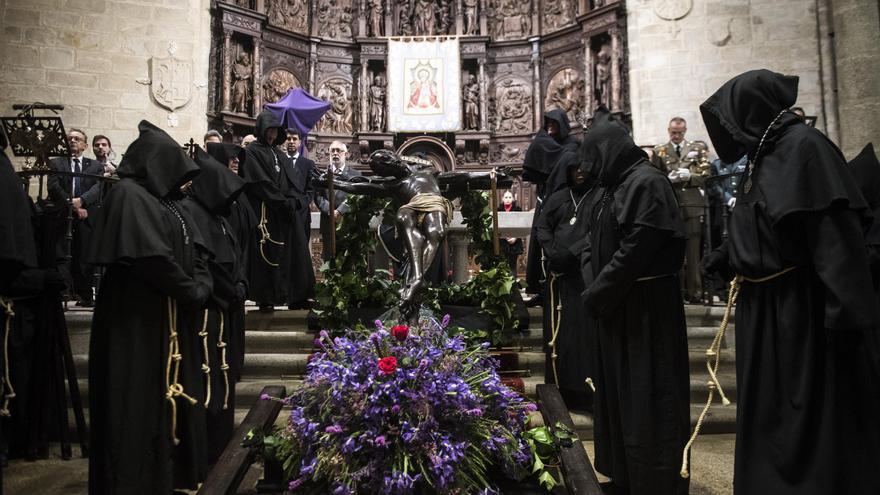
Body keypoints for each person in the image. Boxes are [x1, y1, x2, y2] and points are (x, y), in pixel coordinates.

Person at [700, 69, 880, 495]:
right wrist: (729, 258)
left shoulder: (806, 149)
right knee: (772, 418)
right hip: (766, 312)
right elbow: (765, 223)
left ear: (751, 111)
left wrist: (844, 321)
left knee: (805, 422)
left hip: (800, 315)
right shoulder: (765, 154)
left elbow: (835, 242)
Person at [87, 120, 212, 494]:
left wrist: (200, 282)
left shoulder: (163, 200)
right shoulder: (127, 194)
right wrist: (191, 290)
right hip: (135, 324)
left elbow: (195, 248)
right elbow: (150, 258)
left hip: (163, 319)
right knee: (133, 403)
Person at [581, 107, 690, 495]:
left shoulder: (648, 183)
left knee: (648, 396)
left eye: (593, 157)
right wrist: (595, 285)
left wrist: (599, 291)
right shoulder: (614, 186)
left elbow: (637, 247)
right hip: (619, 306)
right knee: (620, 397)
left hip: (646, 309)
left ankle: (652, 481)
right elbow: (592, 243)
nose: (589, 167)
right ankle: (626, 475)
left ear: (610, 151)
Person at [182, 147, 248, 468]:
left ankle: (222, 446)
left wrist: (241, 285)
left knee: (225, 379)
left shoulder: (217, 217)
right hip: (212, 311)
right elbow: (206, 263)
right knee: (212, 381)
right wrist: (231, 289)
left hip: (229, 307)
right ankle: (211, 451)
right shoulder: (194, 213)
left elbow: (235, 256)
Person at [534, 160, 596, 411]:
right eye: (574, 168)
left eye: (583, 167)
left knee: (583, 335)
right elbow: (542, 226)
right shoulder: (559, 197)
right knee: (559, 336)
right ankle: (560, 392)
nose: (579, 172)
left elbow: (597, 232)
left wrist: (573, 252)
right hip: (558, 275)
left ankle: (585, 394)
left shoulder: (599, 196)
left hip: (584, 274)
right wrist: (553, 252)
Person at [240, 110, 305, 312]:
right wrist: (280, 200)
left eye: (275, 131)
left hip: (284, 212)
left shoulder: (279, 153)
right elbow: (259, 182)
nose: (272, 135)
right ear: (261, 130)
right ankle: (266, 297)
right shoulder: (253, 151)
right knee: (266, 253)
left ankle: (294, 295)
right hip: (266, 211)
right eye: (269, 130)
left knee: (293, 252)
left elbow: (292, 180)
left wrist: (295, 199)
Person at [522, 109, 580, 305]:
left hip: (565, 205)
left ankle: (555, 290)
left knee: (557, 246)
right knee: (540, 246)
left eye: (554, 125)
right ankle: (541, 288)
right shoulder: (546, 143)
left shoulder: (571, 145)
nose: (550, 129)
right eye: (548, 125)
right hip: (546, 201)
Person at [206, 141, 254, 379]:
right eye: (231, 157)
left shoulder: (236, 191)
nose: (236, 161)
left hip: (238, 273)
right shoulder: (213, 196)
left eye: (238, 158)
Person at [651, 117, 708, 303]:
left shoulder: (697, 148)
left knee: (693, 252)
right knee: (674, 250)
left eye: (680, 132)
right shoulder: (660, 150)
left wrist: (690, 175)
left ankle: (695, 292)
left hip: (692, 204)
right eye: (673, 132)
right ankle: (677, 293)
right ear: (668, 130)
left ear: (685, 131)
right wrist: (668, 178)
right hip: (672, 204)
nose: (676, 136)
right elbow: (654, 177)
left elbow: (706, 174)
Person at [47, 128, 104, 306]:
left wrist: (82, 201)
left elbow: (98, 187)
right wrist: (72, 205)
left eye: (77, 139)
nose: (72, 141)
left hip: (86, 216)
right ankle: (63, 293)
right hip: (63, 214)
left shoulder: (95, 166)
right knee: (62, 254)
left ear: (85, 145)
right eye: (70, 138)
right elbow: (54, 186)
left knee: (84, 255)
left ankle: (85, 295)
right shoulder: (57, 163)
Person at [279, 129, 315, 309]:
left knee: (300, 255)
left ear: (300, 142)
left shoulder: (308, 164)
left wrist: (300, 203)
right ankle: (285, 293)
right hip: (284, 214)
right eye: (288, 139)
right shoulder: (279, 161)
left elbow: (311, 190)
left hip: (301, 215)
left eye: (294, 139)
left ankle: (300, 293)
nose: (291, 142)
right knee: (284, 255)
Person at [314, 141, 361, 262]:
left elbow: (356, 196)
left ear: (346, 154)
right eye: (332, 150)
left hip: (347, 223)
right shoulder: (322, 175)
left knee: (348, 260)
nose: (335, 153)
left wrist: (340, 211)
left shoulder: (355, 175)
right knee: (329, 260)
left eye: (339, 150)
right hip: (328, 224)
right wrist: (331, 211)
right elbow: (318, 196)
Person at [498, 191, 524, 279]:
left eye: (509, 197)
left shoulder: (518, 209)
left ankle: (513, 287)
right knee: (502, 265)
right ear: (502, 199)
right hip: (502, 240)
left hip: (515, 241)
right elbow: (497, 225)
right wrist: (505, 236)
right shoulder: (498, 210)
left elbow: (521, 225)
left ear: (513, 198)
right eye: (506, 197)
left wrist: (515, 237)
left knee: (512, 265)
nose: (508, 199)